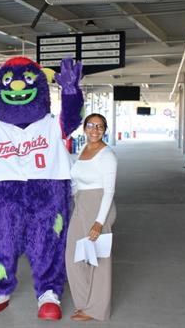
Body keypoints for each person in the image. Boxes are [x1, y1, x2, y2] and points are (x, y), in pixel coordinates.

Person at [65, 113, 117, 321]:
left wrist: (99, 222)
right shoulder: (84, 150)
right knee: (73, 255)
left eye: (100, 126)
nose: (94, 130)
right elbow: (76, 180)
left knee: (100, 259)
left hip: (99, 207)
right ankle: (85, 302)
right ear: (84, 128)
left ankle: (97, 309)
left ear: (105, 130)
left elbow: (109, 192)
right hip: (81, 204)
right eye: (90, 125)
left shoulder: (107, 156)